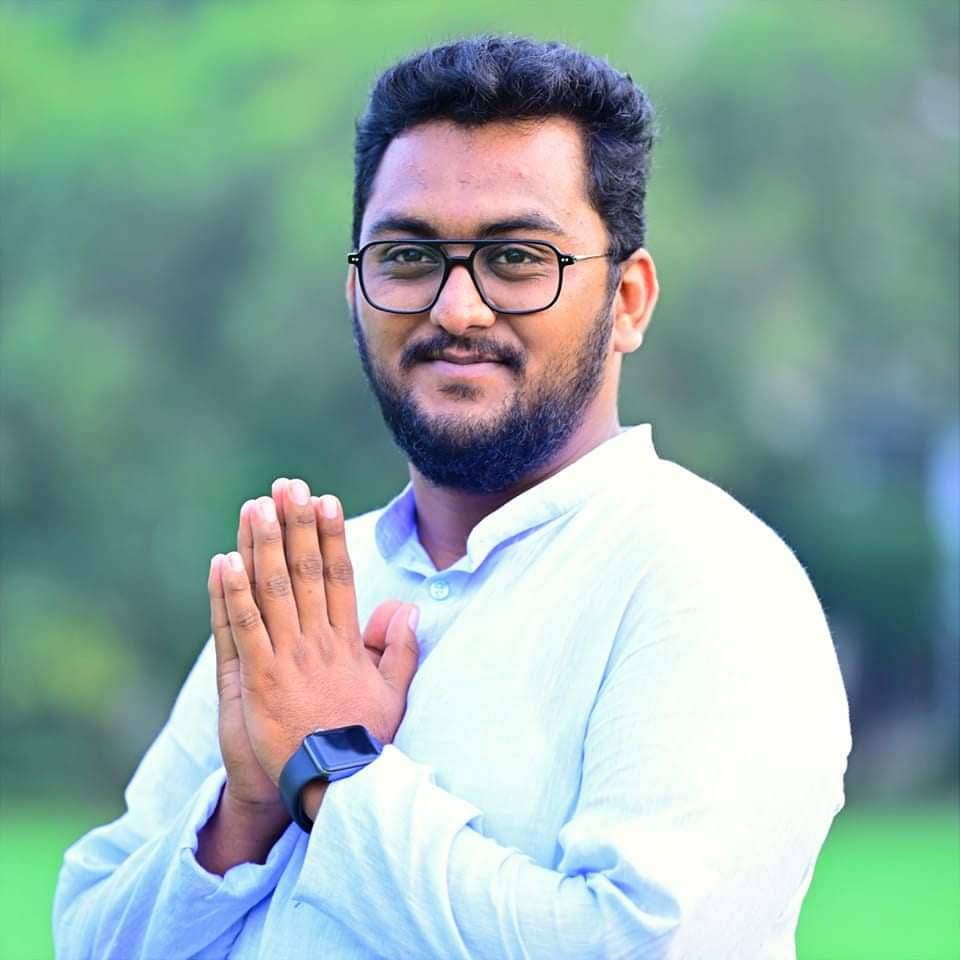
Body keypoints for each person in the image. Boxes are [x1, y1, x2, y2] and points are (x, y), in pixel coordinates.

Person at [53, 35, 851, 959]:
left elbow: (638, 946)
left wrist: (329, 772)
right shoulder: (309, 591)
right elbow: (90, 941)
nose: (456, 308)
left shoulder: (705, 578)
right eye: (407, 257)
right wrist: (250, 807)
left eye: (517, 258)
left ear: (627, 300)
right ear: (355, 288)